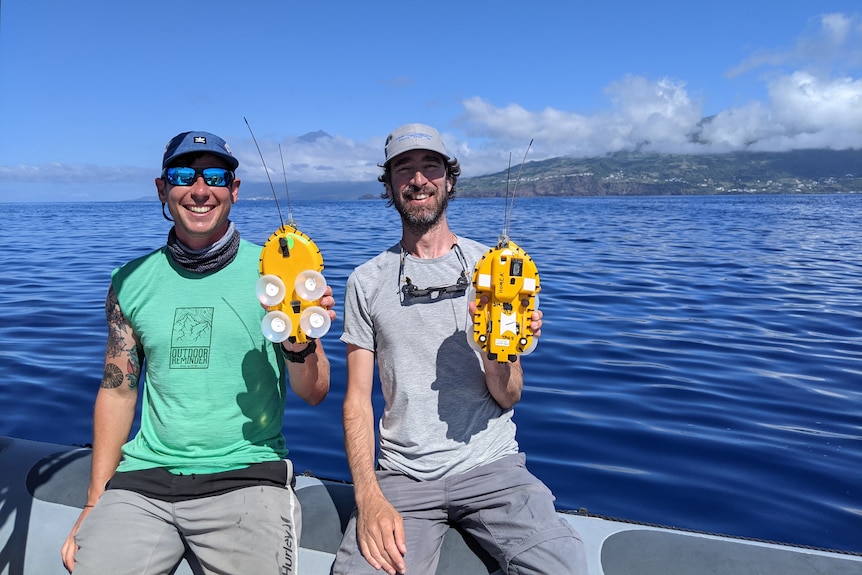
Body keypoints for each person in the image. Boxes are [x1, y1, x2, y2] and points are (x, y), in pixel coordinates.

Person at [61, 130, 334, 575]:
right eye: (184, 174)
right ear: (162, 188)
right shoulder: (129, 282)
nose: (200, 190)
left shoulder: (279, 272)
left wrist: (298, 343)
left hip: (247, 478)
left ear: (235, 190)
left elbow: (315, 392)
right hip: (144, 481)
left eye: (216, 176)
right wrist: (95, 500)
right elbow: (117, 392)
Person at [333, 123, 586, 575]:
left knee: (562, 567)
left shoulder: (495, 271)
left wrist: (498, 350)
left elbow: (508, 396)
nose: (418, 179)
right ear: (389, 185)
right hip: (404, 476)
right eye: (404, 169)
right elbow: (356, 400)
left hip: (494, 468)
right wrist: (368, 497)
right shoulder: (365, 282)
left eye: (431, 167)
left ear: (450, 180)